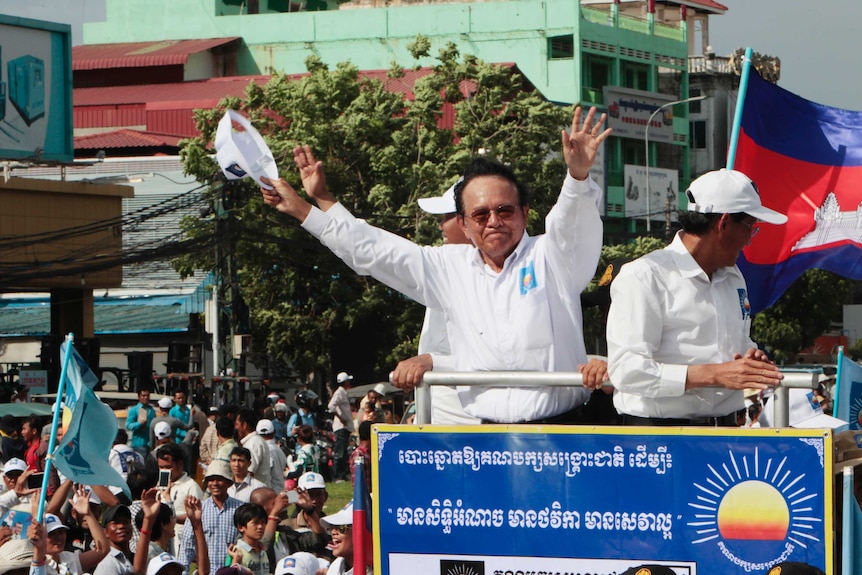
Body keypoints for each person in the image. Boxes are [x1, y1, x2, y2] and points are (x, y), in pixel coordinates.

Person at [260, 106, 612, 424]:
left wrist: (577, 177)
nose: (494, 221)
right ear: (465, 223)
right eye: (480, 214)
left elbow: (571, 225)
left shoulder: (552, 258)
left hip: (562, 432)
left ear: (525, 213)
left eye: (505, 210)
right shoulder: (448, 267)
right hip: (486, 439)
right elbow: (372, 250)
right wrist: (305, 209)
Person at [607, 169, 786, 425]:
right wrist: (714, 375)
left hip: (724, 430)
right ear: (724, 223)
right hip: (660, 436)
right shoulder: (645, 276)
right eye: (750, 227)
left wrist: (751, 358)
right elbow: (627, 371)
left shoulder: (733, 277)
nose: (750, 239)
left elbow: (736, 344)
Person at [177, 461, 241, 575]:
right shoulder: (198, 509)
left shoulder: (240, 509)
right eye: (211, 480)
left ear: (229, 483)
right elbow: (187, 547)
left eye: (219, 479)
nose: (215, 483)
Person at [250, 487, 329, 566]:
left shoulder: (285, 533)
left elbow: (320, 540)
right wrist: (274, 514)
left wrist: (310, 510)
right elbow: (264, 547)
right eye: (275, 503)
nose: (281, 507)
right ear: (262, 509)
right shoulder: (247, 536)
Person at [155, 443, 204, 545]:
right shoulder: (159, 485)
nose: (164, 471)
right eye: (161, 467)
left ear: (180, 464)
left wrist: (172, 518)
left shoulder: (191, 486)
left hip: (182, 541)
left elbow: (198, 515)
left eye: (168, 467)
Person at [319, 502, 371, 575]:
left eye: (341, 527)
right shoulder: (336, 566)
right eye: (331, 527)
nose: (333, 532)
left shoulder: (382, 567)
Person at [225, 504, 269, 575]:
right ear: (241, 527)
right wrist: (235, 562)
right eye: (255, 523)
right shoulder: (236, 552)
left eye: (263, 522)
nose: (260, 526)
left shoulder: (263, 551)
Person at [234, 410, 271, 488]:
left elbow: (248, 473)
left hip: (257, 494)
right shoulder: (253, 441)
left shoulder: (253, 443)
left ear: (244, 425)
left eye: (237, 424)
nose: (235, 427)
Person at [327, 374, 354, 482]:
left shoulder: (343, 392)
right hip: (341, 427)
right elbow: (331, 406)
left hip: (345, 427)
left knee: (343, 453)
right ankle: (337, 476)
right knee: (339, 452)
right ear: (345, 382)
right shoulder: (339, 392)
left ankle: (342, 474)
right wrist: (340, 417)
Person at [92, 506, 133, 575]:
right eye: (116, 523)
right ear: (105, 532)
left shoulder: (135, 558)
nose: (122, 526)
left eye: (126, 522)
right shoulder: (107, 563)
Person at [256, 420, 287, 493]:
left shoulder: (264, 450)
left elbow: (267, 474)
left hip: (271, 493)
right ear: (274, 433)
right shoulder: (279, 450)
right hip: (281, 490)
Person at [126, 390, 156, 459]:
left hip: (150, 444)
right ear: (139, 397)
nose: (146, 398)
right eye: (143, 396)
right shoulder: (134, 410)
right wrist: (139, 424)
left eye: (147, 396)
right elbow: (128, 425)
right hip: (139, 444)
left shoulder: (151, 410)